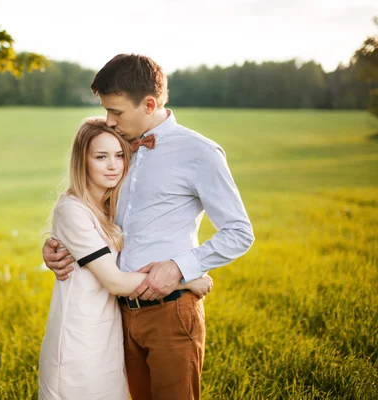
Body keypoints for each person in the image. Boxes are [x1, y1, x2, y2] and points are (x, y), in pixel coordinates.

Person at [42, 54, 255, 400]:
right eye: (107, 111)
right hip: (119, 317)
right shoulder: (119, 148)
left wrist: (181, 269)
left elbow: (240, 232)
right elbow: (94, 215)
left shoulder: (199, 153)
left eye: (116, 112)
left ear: (149, 103)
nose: (109, 121)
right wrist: (59, 244)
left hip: (171, 312)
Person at [38, 117, 213, 400]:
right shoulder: (72, 209)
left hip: (110, 332)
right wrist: (187, 280)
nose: (113, 165)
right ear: (82, 161)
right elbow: (116, 282)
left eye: (119, 155)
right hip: (79, 334)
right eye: (101, 157)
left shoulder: (110, 206)